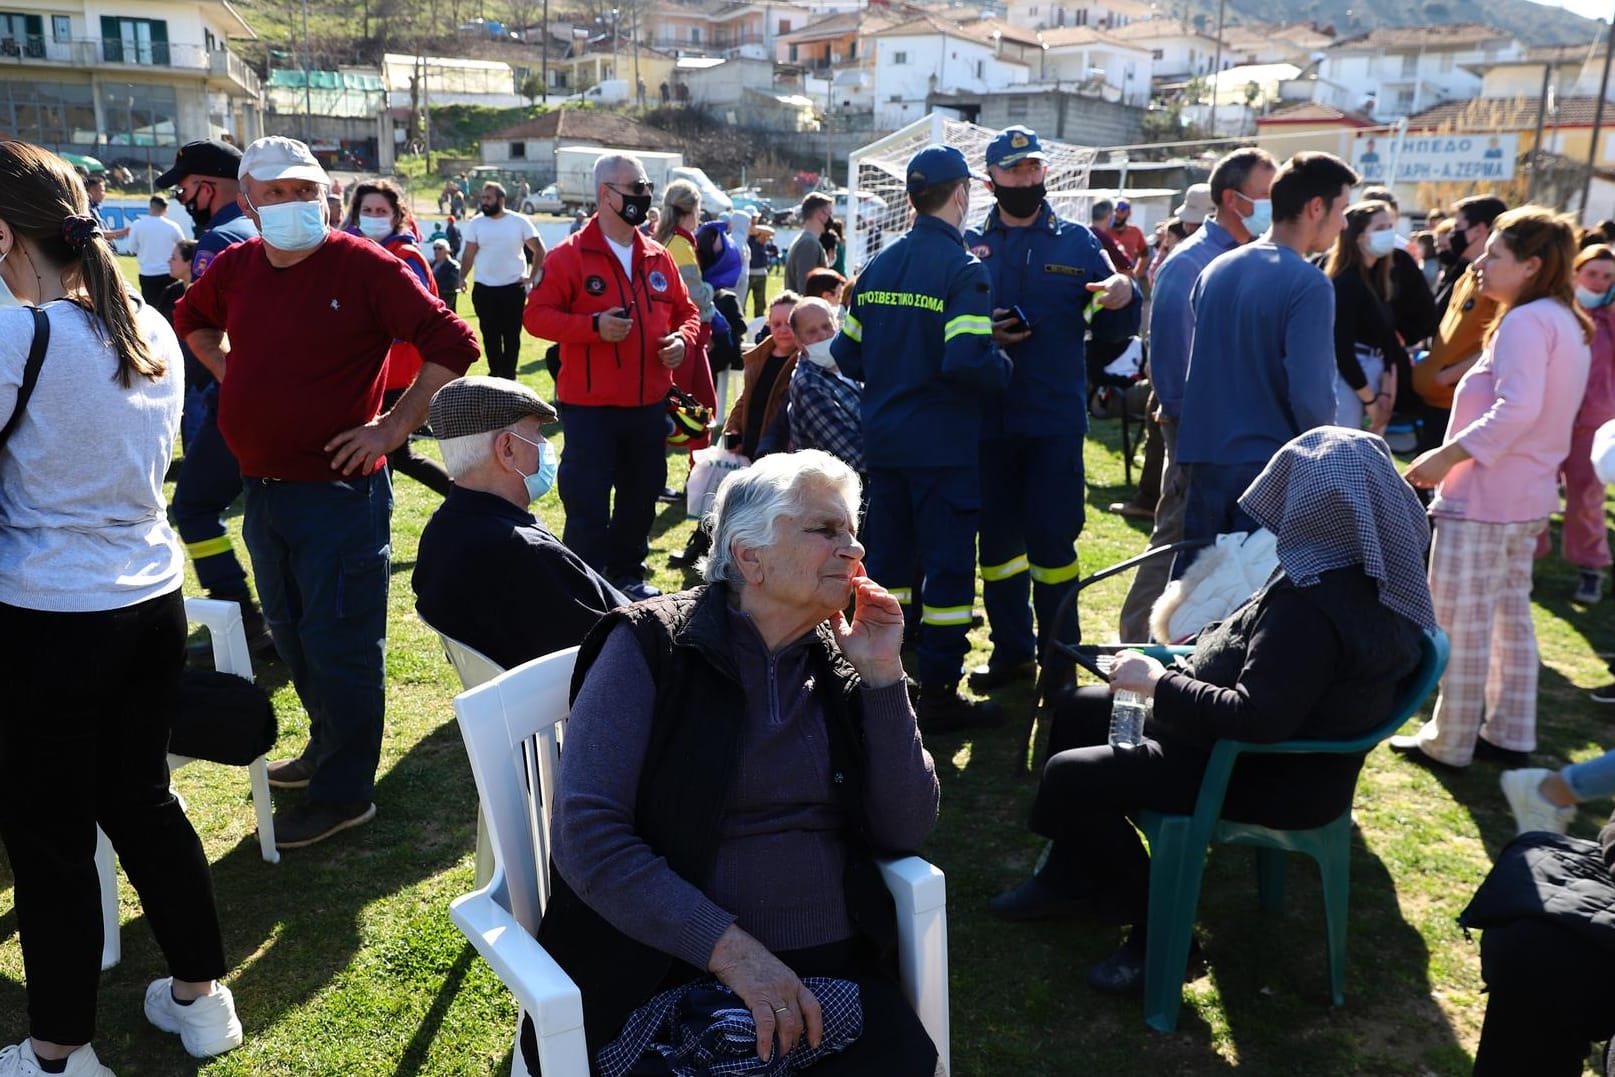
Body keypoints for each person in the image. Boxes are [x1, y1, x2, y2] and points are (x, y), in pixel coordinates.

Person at [538, 449, 940, 1076]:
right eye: (825, 530)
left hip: (833, 965)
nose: (854, 550)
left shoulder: (839, 665)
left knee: (902, 1059)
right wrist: (731, 953)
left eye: (853, 533)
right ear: (749, 556)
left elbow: (904, 828)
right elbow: (588, 836)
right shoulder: (652, 647)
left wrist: (885, 677)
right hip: (672, 966)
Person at [988, 427, 1431, 996]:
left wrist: (1159, 681)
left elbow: (1257, 719)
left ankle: (1160, 936)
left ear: (1317, 507)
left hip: (1256, 771)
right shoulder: (1366, 568)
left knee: (1070, 777)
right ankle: (1071, 875)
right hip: (1244, 746)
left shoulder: (1314, 608)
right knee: (1077, 709)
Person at [0, 140, 242, 1077]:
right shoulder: (141, 318)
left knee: (50, 835)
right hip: (146, 597)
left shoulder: (27, 336)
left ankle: (58, 1052)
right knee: (142, 800)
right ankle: (200, 994)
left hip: (49, 613)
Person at [174, 135, 480, 848]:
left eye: (304, 191)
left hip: (339, 494)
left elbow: (452, 343)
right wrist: (232, 376)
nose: (291, 204)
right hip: (264, 489)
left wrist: (391, 427)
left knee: (340, 640)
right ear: (247, 197)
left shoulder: (364, 265)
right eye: (275, 192)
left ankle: (345, 792)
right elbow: (192, 319)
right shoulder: (241, 265)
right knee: (291, 630)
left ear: (325, 196)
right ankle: (325, 747)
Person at [1392, 207, 1592, 770]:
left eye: (1494, 256)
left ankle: (1450, 739)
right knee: (1508, 619)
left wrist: (1444, 456)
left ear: (1531, 266)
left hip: (1485, 498)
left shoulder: (1528, 322)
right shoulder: (1562, 320)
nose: (1478, 263)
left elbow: (1517, 408)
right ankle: (1509, 731)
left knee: (1462, 622)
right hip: (1523, 497)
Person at [832, 144, 1011, 730]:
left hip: (884, 443)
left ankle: (888, 676)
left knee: (892, 565)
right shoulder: (964, 271)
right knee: (949, 573)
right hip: (944, 449)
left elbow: (843, 350)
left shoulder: (879, 265)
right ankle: (937, 693)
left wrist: (895, 371)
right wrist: (1002, 364)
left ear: (911, 198)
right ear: (961, 194)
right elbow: (966, 360)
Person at [963, 125, 1134, 699]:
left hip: (1053, 420)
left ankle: (1059, 655)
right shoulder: (964, 244)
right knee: (1000, 547)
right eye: (1013, 171)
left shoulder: (1079, 242)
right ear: (991, 180)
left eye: (1033, 169)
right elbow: (941, 328)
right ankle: (1012, 651)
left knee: (1054, 544)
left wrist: (1123, 295)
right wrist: (981, 332)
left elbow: (1113, 323)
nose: (1025, 179)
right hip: (986, 420)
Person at [523, 153, 702, 601]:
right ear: (606, 194)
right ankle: (584, 585)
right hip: (590, 408)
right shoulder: (569, 257)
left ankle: (628, 576)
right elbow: (536, 318)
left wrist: (683, 339)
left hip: (648, 406)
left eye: (646, 189)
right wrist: (592, 328)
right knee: (586, 501)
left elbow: (689, 313)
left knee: (640, 498)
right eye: (636, 188)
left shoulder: (658, 257)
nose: (645, 197)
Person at [1116, 148, 1278, 642]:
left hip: (1235, 439)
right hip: (1198, 437)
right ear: (1234, 199)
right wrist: (1194, 432)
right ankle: (1133, 646)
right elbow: (1168, 363)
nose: (1279, 206)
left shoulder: (1252, 259)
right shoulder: (1188, 265)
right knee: (1175, 540)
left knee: (1209, 544)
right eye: (1269, 195)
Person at [1173, 152, 1358, 576]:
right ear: (1316, 207)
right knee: (1244, 612)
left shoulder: (1216, 268)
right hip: (1266, 470)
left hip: (1204, 457)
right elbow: (1312, 396)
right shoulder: (1309, 283)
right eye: (1342, 209)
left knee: (1192, 598)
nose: (1344, 224)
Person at [412, 376, 625, 669]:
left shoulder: (441, 530)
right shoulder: (524, 551)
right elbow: (619, 648)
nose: (545, 445)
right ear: (507, 448)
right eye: (537, 432)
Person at [156, 138, 272, 657]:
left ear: (208, 185)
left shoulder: (218, 240)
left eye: (185, 188)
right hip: (273, 395)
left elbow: (209, 329)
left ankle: (243, 619)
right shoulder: (254, 230)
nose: (183, 197)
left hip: (239, 399)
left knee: (196, 507)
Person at [342, 178, 453, 498]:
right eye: (367, 210)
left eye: (381, 210)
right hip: (369, 371)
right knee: (387, 454)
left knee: (392, 451)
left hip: (397, 374)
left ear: (395, 216)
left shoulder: (406, 256)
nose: (374, 215)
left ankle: (464, 497)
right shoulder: (353, 252)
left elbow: (410, 322)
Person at [1542, 244, 1615, 605]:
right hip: (1550, 416)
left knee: (1586, 497)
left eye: (1607, 277)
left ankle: (1590, 568)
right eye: (1593, 274)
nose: (1599, 282)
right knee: (1537, 488)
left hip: (1594, 422)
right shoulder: (1557, 312)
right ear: (1575, 273)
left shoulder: (1612, 318)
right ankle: (1526, 555)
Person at [1412, 195, 1507, 452]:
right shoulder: (1467, 275)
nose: (1452, 235)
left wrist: (1449, 377)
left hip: (1457, 404)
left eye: (1457, 228)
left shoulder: (1498, 285)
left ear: (1480, 230)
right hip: (1434, 401)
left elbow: (1498, 346)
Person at [1324, 199, 1405, 432]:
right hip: (1352, 382)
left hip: (1375, 376)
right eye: (1379, 228)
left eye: (1389, 227)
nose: (1388, 234)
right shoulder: (1346, 283)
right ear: (1358, 236)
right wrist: (1370, 400)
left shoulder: (1378, 281)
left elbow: (1388, 338)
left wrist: (1387, 388)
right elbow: (1341, 348)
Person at [460, 181, 545, 379]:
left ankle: (510, 375)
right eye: (483, 198)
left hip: (513, 288)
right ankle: (495, 374)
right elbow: (468, 253)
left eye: (488, 198)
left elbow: (540, 250)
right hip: (484, 289)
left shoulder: (519, 221)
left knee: (511, 335)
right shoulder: (476, 223)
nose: (484, 202)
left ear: (501, 200)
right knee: (489, 334)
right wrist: (462, 277)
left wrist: (532, 278)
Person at [787, 298, 862, 475]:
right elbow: (854, 455)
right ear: (798, 341)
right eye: (811, 332)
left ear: (838, 324)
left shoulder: (853, 364)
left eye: (827, 326)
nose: (822, 335)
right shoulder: (808, 385)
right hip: (839, 490)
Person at [126, 194, 186, 307]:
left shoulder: (137, 225)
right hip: (169, 273)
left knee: (151, 309)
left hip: (147, 274)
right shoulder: (172, 226)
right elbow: (184, 246)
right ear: (165, 209)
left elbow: (131, 249)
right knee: (170, 308)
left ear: (150, 207)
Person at [788, 192, 832, 294]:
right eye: (829, 213)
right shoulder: (808, 244)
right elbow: (806, 288)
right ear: (820, 214)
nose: (831, 219)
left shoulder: (807, 240)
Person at [1088, 198, 1133, 272]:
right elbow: (1126, 264)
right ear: (1109, 216)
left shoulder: (1085, 231)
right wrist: (1121, 250)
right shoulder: (1103, 238)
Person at [1108, 198, 1149, 276]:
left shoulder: (1135, 231)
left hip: (1126, 278)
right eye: (1115, 210)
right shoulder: (1104, 231)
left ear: (1129, 213)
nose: (1117, 214)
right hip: (1106, 277)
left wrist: (1136, 273)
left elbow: (1145, 255)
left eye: (1122, 211)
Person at [82, 174, 128, 240]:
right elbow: (93, 232)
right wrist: (122, 232)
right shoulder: (86, 210)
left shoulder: (96, 209)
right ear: (92, 191)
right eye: (102, 190)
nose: (104, 194)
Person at [745, 215, 772, 317]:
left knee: (760, 305)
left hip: (761, 272)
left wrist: (755, 228)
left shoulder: (761, 231)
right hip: (748, 272)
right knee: (741, 303)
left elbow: (771, 231)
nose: (754, 219)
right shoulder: (743, 232)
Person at [431, 238, 461, 313]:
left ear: (448, 250)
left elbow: (452, 285)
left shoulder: (454, 266)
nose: (436, 251)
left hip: (446, 303)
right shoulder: (431, 265)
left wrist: (432, 287)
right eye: (434, 248)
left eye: (440, 248)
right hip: (433, 300)